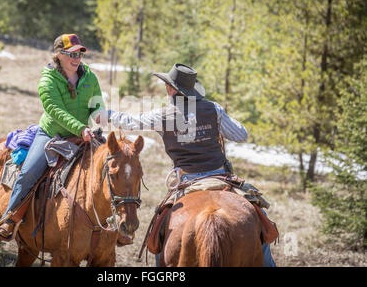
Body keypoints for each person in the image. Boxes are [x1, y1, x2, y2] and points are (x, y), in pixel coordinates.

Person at [98, 63, 276, 266]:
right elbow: (241, 135)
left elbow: (130, 121)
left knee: (161, 233)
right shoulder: (213, 109)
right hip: (221, 177)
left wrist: (105, 114)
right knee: (261, 223)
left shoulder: (163, 116)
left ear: (171, 89)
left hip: (187, 182)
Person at [0, 33, 104, 240]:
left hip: (84, 135)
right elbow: (55, 110)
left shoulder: (89, 76)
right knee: (28, 172)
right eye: (71, 54)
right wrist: (81, 128)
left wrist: (100, 115)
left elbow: (97, 102)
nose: (76, 58)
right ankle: (10, 218)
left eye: (79, 53)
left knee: (114, 165)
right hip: (52, 135)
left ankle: (115, 224)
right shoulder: (47, 79)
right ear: (58, 55)